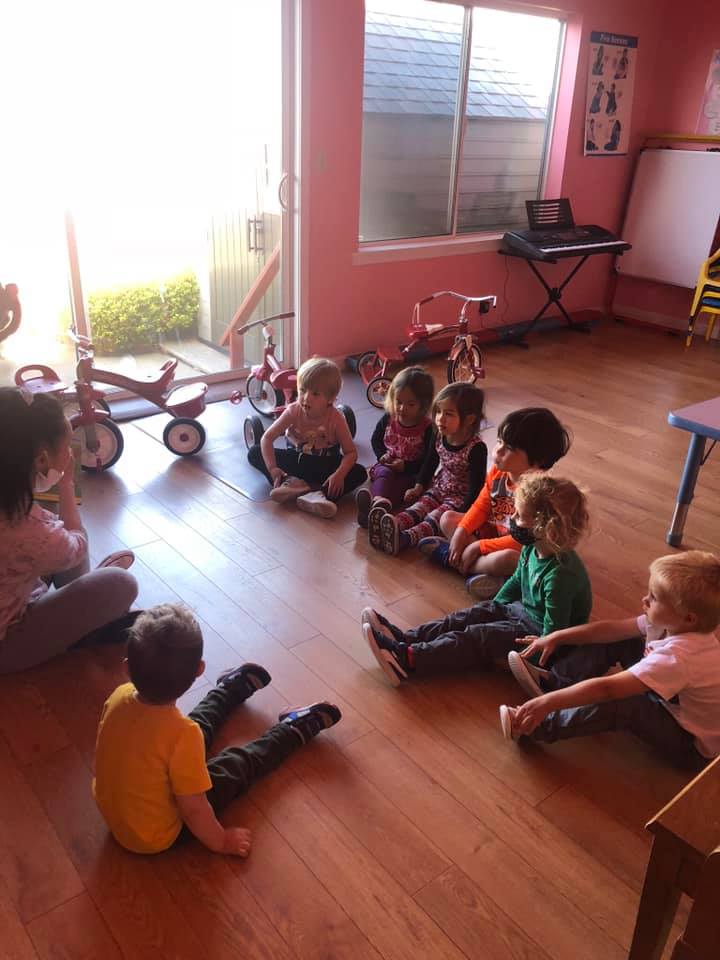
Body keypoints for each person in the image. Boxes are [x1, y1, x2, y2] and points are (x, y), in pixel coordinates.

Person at [93, 603, 342, 855]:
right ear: (199, 670)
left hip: (117, 819)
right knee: (233, 765)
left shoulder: (119, 695)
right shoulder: (182, 734)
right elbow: (193, 809)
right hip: (155, 835)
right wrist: (221, 841)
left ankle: (230, 689)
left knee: (187, 733)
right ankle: (290, 729)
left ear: (127, 668)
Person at [499, 551, 720, 772]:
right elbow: (609, 630)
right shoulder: (673, 624)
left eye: (654, 598)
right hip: (674, 698)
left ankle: (535, 725)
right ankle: (552, 682)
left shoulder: (679, 657)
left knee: (626, 705)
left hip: (690, 743)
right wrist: (557, 636)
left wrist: (547, 704)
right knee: (623, 641)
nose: (644, 600)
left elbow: (607, 689)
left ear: (688, 618)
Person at [363, 473, 591, 686]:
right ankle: (406, 638)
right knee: (466, 617)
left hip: (539, 636)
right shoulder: (533, 547)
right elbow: (516, 582)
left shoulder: (560, 575)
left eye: (519, 516)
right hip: (521, 612)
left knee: (476, 637)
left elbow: (553, 635)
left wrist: (522, 656)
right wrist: (493, 608)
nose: (512, 519)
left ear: (544, 528)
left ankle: (409, 660)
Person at [0, 388, 138, 673]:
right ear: (41, 460)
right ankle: (88, 623)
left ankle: (84, 591)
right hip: (7, 643)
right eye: (66, 447)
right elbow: (75, 544)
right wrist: (65, 484)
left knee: (53, 544)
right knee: (121, 583)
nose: (70, 454)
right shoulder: (29, 527)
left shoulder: (17, 511)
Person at [419, 407, 571, 600]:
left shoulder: (539, 492)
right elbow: (481, 506)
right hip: (494, 533)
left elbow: (522, 542)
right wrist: (462, 532)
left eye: (509, 448)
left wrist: (478, 547)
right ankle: (482, 571)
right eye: (499, 441)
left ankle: (454, 560)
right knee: (448, 519)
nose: (498, 450)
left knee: (507, 559)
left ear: (537, 461)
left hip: (518, 548)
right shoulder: (498, 472)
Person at [368, 382, 487, 556]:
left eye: (448, 414)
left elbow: (477, 487)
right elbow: (430, 462)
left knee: (434, 518)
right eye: (438, 412)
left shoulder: (476, 448)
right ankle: (389, 525)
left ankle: (405, 539)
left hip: (459, 499)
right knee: (419, 507)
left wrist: (462, 514)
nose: (440, 418)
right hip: (439, 488)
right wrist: (419, 485)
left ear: (469, 419)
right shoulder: (439, 434)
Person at [247, 357, 366, 519]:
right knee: (255, 452)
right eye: (302, 390)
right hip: (296, 460)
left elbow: (351, 453)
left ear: (330, 399)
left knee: (359, 473)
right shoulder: (293, 411)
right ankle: (290, 482)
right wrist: (273, 468)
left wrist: (339, 474)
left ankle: (319, 495)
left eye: (315, 394)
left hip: (325, 465)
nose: (306, 397)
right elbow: (267, 438)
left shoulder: (336, 418)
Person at [355, 366, 434, 527]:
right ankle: (377, 500)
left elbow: (429, 460)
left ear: (423, 405)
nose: (402, 408)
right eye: (398, 402)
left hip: (410, 473)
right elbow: (376, 440)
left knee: (403, 489)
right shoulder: (389, 418)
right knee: (384, 474)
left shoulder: (427, 428)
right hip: (386, 465)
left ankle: (374, 511)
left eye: (410, 404)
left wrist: (407, 466)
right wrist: (381, 455)